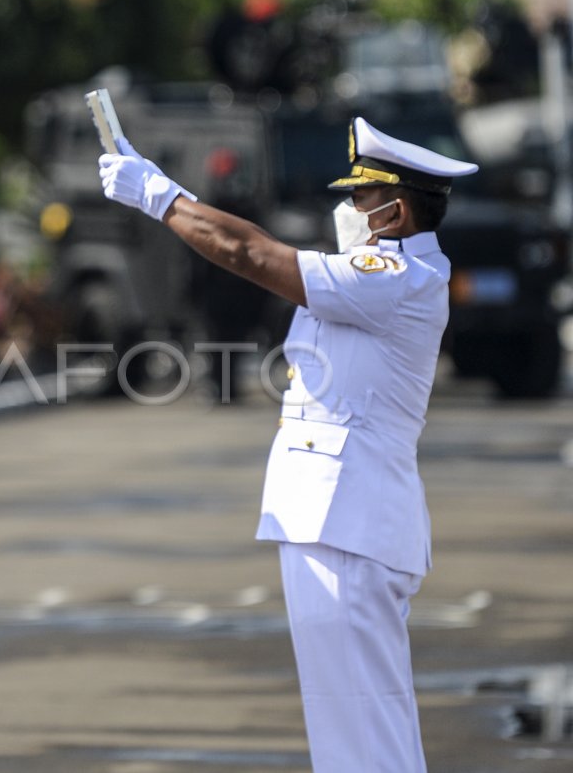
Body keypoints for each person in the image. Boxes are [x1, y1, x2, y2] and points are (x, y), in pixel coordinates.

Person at [98, 116, 478, 772]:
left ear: (396, 207)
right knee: (354, 726)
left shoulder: (393, 279)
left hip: (349, 526)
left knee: (363, 732)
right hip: (336, 521)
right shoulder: (383, 273)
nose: (349, 208)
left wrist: (159, 195)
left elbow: (248, 253)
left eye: (360, 197)